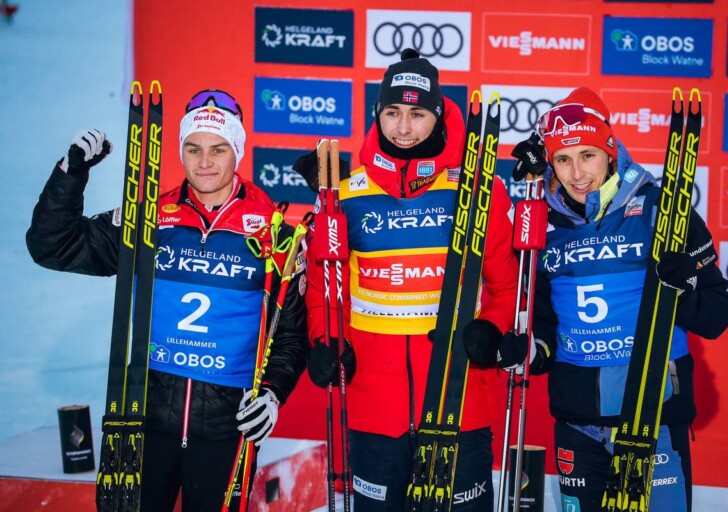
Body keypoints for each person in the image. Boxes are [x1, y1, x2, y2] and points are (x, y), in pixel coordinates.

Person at [26, 89, 310, 511]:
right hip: (145, 423)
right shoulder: (147, 222)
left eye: (218, 149)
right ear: (179, 151)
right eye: (193, 149)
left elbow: (290, 336)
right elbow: (53, 245)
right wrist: (71, 174)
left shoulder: (275, 236)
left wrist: (271, 392)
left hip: (224, 429)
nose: (205, 162)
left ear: (238, 151)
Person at [300, 48, 520, 511]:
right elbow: (324, 289)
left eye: (417, 114)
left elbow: (506, 287)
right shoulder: (347, 192)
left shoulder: (477, 189)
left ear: (437, 118)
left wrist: (491, 329)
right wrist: (327, 341)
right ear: (377, 114)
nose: (403, 128)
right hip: (374, 407)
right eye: (392, 113)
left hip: (459, 398)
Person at [505, 87, 728, 511]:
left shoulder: (661, 210)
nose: (576, 174)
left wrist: (680, 291)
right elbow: (545, 330)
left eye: (587, 155)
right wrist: (528, 351)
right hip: (578, 424)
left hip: (654, 415)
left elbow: (717, 317)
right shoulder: (543, 228)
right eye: (563, 159)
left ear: (610, 152)